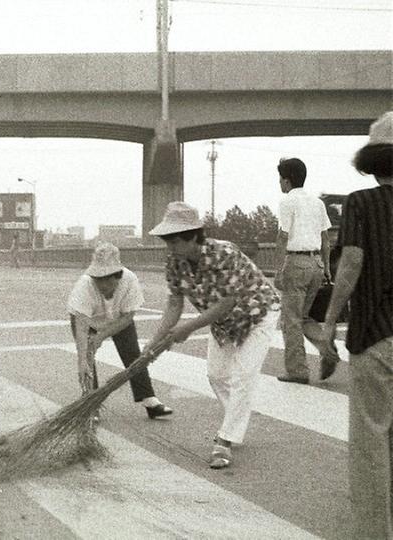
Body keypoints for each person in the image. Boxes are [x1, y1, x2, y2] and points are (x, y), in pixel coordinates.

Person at [145, 201, 280, 470]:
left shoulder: (223, 253)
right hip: (223, 324)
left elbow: (227, 302)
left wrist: (188, 328)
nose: (170, 248)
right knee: (216, 376)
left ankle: (225, 440)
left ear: (194, 236)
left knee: (243, 376)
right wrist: (154, 341)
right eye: (167, 242)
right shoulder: (174, 262)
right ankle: (237, 417)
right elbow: (175, 303)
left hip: (257, 314)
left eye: (175, 242)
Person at [323, 111, 393, 539]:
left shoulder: (361, 203)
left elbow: (351, 262)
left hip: (375, 334)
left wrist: (329, 322)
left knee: (371, 441)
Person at [67, 242, 172, 419]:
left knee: (133, 354)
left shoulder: (129, 280)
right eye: (97, 279)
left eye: (106, 280)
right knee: (87, 360)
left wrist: (102, 336)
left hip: (119, 319)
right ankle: (91, 404)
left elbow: (128, 316)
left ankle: (149, 399)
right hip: (88, 321)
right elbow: (82, 325)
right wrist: (82, 361)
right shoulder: (85, 285)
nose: (101, 285)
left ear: (118, 276)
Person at [274, 157, 340, 383]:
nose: (280, 183)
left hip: (296, 263)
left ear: (287, 180)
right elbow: (325, 239)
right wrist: (326, 268)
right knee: (303, 316)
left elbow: (283, 237)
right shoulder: (317, 203)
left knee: (290, 320)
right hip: (317, 265)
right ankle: (326, 347)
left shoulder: (287, 202)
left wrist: (279, 270)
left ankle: (298, 371)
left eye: (281, 179)